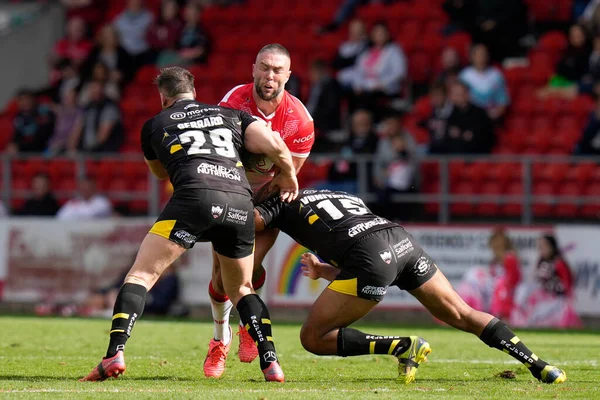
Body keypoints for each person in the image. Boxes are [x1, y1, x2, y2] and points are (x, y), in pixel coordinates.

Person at [80, 66, 299, 383]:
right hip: (239, 201)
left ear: (162, 97)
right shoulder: (229, 114)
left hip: (193, 199)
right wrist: (289, 177)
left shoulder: (155, 124)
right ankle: (271, 362)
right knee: (241, 288)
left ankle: (114, 353)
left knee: (141, 274)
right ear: (194, 92)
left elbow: (159, 174)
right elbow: (276, 146)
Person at [254, 189, 567, 384]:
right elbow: (360, 248)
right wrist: (325, 271)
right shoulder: (336, 194)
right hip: (400, 240)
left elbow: (253, 219)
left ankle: (400, 346)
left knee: (311, 337)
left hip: (371, 254)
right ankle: (540, 365)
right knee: (462, 312)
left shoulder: (278, 203)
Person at [204, 44, 314, 379]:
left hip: (269, 196)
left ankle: (247, 329)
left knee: (247, 272)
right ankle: (219, 338)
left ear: (288, 75)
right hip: (228, 188)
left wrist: (260, 198)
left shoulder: (300, 121)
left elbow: (288, 177)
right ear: (253, 68)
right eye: (264, 68)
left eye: (277, 70)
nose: (270, 76)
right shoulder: (232, 103)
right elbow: (217, 159)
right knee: (222, 278)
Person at [510, 235, 582, 328]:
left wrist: (568, 299)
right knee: (532, 314)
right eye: (540, 246)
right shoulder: (542, 261)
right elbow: (537, 280)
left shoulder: (558, 262)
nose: (542, 249)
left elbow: (567, 280)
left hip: (557, 299)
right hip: (544, 297)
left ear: (552, 246)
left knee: (537, 318)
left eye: (545, 246)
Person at [457, 228, 521, 320]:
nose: (495, 246)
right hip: (493, 290)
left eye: (497, 243)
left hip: (506, 291)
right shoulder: (495, 260)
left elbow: (513, 278)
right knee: (471, 281)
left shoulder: (509, 257)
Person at [351, 22, 407, 115]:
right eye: (377, 33)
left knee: (369, 98)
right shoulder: (367, 52)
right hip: (367, 88)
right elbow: (358, 71)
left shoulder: (394, 51)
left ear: (387, 35)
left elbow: (399, 72)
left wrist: (382, 84)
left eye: (382, 33)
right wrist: (358, 85)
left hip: (386, 88)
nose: (379, 36)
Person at [429, 81, 495, 154]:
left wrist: (462, 134)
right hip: (452, 155)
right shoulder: (451, 112)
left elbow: (483, 137)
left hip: (476, 155)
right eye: (453, 94)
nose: (453, 97)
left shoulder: (479, 113)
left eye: (457, 94)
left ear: (467, 95)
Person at [67, 80, 123, 153]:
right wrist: (71, 148)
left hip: (103, 152)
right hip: (86, 151)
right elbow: (77, 130)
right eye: (92, 89)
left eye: (97, 89)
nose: (95, 92)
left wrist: (90, 150)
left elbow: (103, 136)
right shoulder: (87, 108)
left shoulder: (109, 108)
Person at [459, 44, 509, 122]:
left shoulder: (496, 75)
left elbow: (502, 100)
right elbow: (459, 100)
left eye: (483, 54)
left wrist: (495, 114)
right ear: (472, 57)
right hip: (470, 119)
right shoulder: (465, 76)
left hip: (491, 118)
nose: (481, 57)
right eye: (478, 54)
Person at [6, 89, 55, 154]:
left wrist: (20, 146)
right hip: (24, 149)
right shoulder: (19, 117)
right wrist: (13, 144)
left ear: (33, 99)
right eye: (22, 100)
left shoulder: (43, 113)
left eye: (27, 99)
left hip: (43, 149)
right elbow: (16, 136)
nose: (25, 102)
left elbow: (42, 138)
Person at [333, 19, 368, 90]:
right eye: (353, 30)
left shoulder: (367, 45)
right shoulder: (344, 47)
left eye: (358, 31)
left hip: (361, 79)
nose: (355, 33)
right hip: (344, 78)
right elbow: (336, 64)